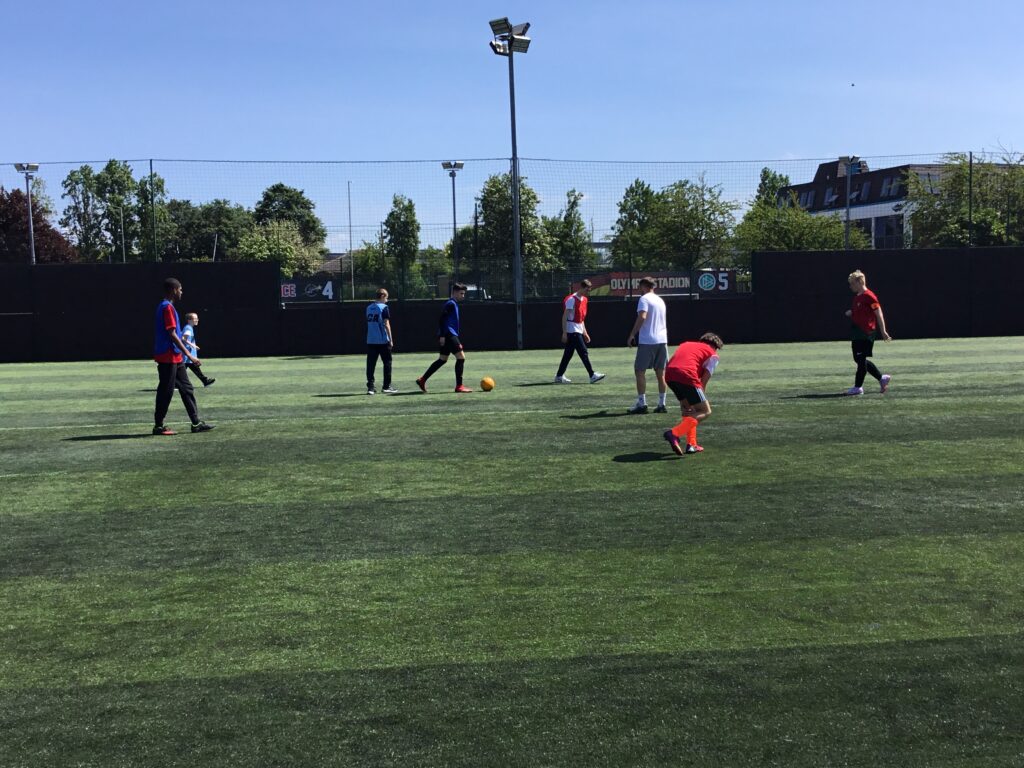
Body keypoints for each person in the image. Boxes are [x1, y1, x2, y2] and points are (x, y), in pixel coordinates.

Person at [152, 278, 215, 435]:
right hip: (168, 355)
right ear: (174, 290)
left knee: (186, 388)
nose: (181, 292)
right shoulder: (167, 308)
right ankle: (158, 426)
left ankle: (196, 423)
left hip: (175, 355)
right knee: (166, 391)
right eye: (180, 289)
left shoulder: (167, 306)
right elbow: (172, 334)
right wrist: (189, 355)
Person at [662, 332, 723, 456]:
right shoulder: (713, 355)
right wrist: (700, 399)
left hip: (669, 375)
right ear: (715, 347)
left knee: (689, 410)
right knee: (705, 411)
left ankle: (692, 445)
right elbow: (703, 382)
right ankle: (674, 433)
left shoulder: (687, 344)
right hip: (687, 376)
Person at [416, 282, 472, 393]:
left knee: (442, 359)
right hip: (448, 334)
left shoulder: (453, 303)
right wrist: (442, 335)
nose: (463, 296)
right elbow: (441, 319)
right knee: (461, 358)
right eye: (461, 293)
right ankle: (459, 386)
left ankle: (422, 379)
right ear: (455, 292)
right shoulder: (450, 303)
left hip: (447, 334)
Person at [844, 269, 892, 395]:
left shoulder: (869, 296)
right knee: (859, 359)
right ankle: (882, 378)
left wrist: (883, 331)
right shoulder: (857, 298)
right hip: (857, 332)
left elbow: (878, 313)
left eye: (852, 283)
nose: (851, 286)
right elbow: (861, 313)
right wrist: (852, 313)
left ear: (860, 282)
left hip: (866, 333)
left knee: (860, 359)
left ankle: (858, 387)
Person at [625, 276, 668, 413]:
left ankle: (642, 404)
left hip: (648, 341)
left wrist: (632, 334)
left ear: (644, 286)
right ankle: (662, 404)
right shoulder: (660, 300)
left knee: (639, 371)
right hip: (662, 340)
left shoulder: (644, 299)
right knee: (660, 374)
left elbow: (642, 316)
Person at [553, 279, 606, 384]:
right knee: (583, 352)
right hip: (572, 330)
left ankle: (559, 376)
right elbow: (565, 317)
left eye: (589, 290)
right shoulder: (572, 300)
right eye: (587, 290)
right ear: (581, 288)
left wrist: (585, 333)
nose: (588, 292)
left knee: (568, 354)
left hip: (578, 329)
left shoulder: (584, 300)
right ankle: (592, 375)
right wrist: (564, 332)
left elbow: (581, 319)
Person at [366, 288, 397, 394]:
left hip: (371, 340)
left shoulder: (368, 308)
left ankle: (370, 387)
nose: (387, 300)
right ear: (383, 296)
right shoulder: (384, 307)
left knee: (371, 364)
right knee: (387, 363)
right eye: (387, 297)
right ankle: (386, 386)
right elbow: (386, 324)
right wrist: (391, 340)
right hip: (383, 341)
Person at [180, 312, 216, 387]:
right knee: (180, 372)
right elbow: (183, 338)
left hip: (188, 356)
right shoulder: (188, 328)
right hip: (186, 356)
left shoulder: (188, 327)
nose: (197, 320)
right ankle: (175, 385)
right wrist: (193, 345)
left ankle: (205, 381)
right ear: (189, 320)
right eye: (195, 318)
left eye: (197, 318)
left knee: (195, 369)